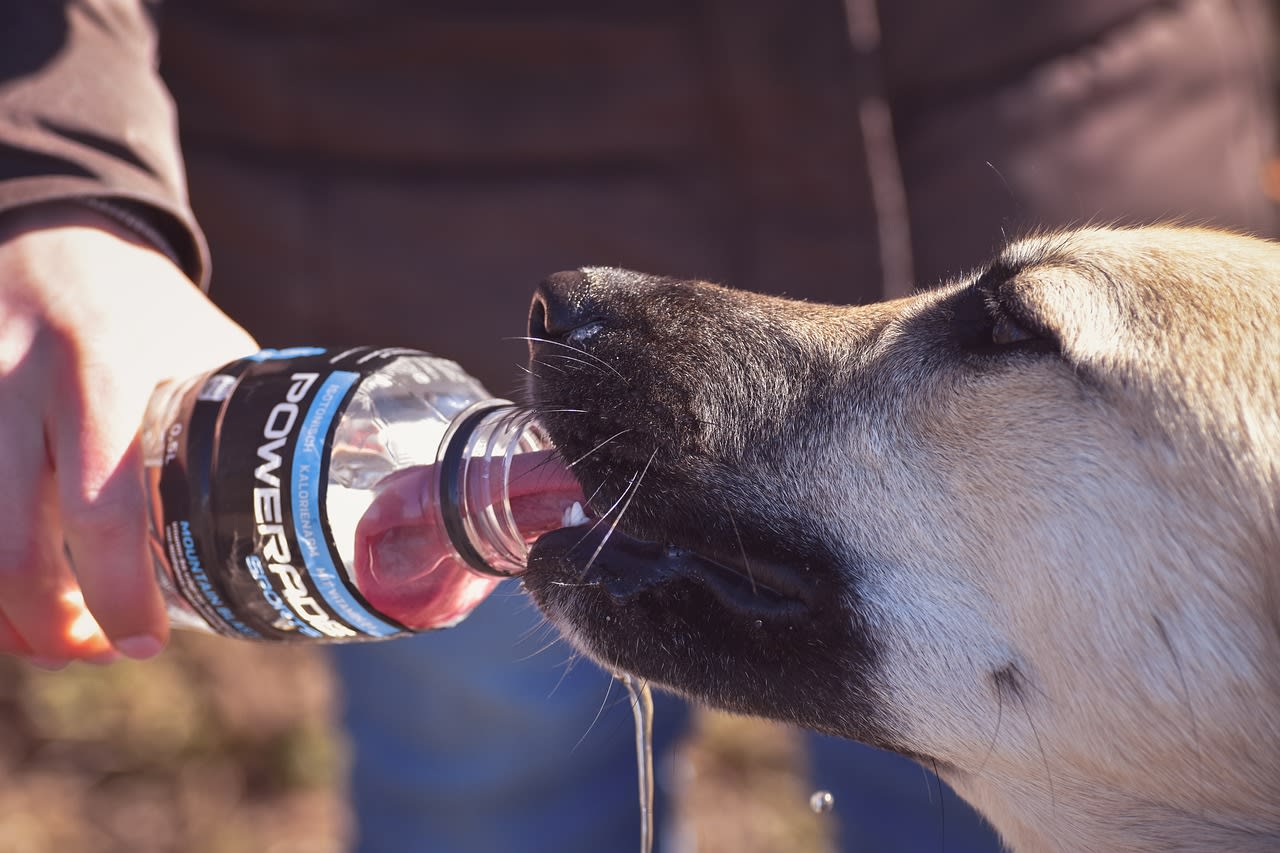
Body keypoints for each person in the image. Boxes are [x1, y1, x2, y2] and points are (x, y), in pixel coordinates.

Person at [0, 1, 1274, 851]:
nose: (591, 308)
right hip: (417, 291)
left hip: (1066, 123)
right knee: (489, 791)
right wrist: (54, 170)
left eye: (1009, 333)